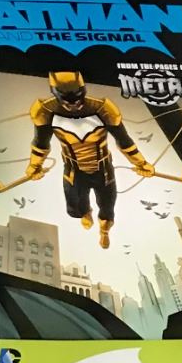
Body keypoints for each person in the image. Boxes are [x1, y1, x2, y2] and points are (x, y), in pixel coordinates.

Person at [25, 71, 157, 249]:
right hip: (73, 169)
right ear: (56, 94)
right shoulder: (46, 111)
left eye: (77, 98)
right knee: (75, 206)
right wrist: (34, 165)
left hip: (103, 168)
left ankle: (104, 230)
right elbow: (41, 144)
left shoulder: (103, 109)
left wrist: (141, 163)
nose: (74, 105)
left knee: (107, 205)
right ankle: (86, 212)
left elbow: (124, 140)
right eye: (68, 100)